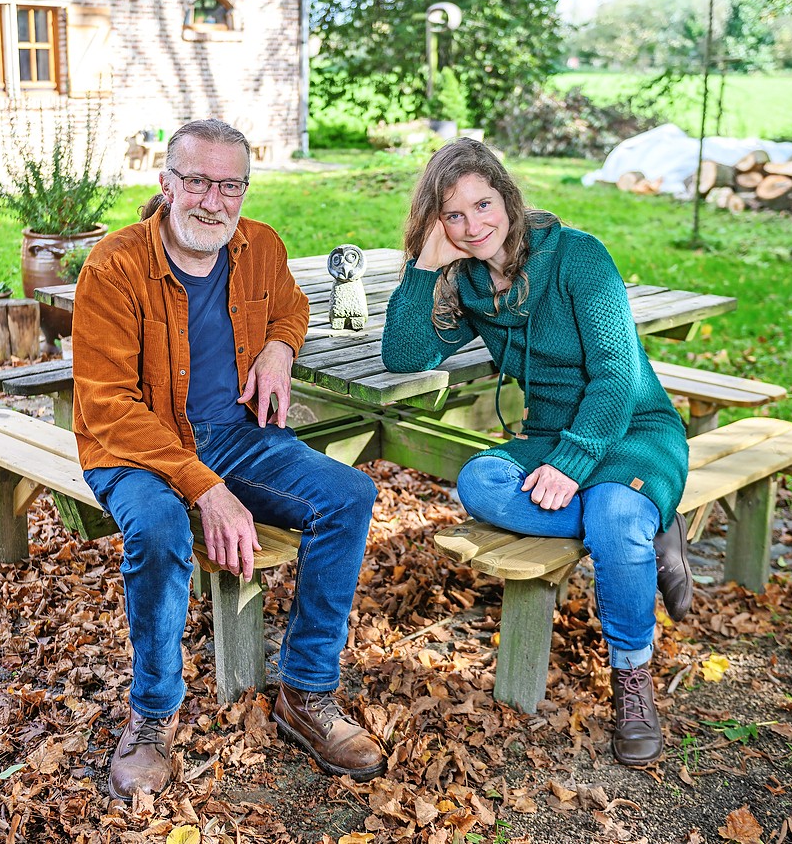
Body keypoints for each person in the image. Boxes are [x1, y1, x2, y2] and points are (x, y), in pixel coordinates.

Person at [72, 119, 385, 802]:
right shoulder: (114, 266)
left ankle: (306, 691)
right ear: (166, 183)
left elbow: (292, 304)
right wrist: (204, 487)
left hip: (236, 436)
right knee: (158, 530)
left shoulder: (260, 246)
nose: (212, 199)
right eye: (196, 180)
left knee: (351, 495)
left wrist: (281, 347)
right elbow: (106, 405)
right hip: (136, 446)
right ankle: (152, 714)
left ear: (244, 188)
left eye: (230, 184)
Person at [380, 138, 693, 766]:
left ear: (508, 196)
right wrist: (420, 270)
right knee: (478, 482)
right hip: (547, 437)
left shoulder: (578, 258)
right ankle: (645, 523)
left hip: (635, 427)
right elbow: (405, 356)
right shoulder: (472, 283)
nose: (474, 226)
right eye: (454, 215)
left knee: (612, 514)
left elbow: (616, 375)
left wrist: (573, 466)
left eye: (483, 203)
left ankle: (631, 680)